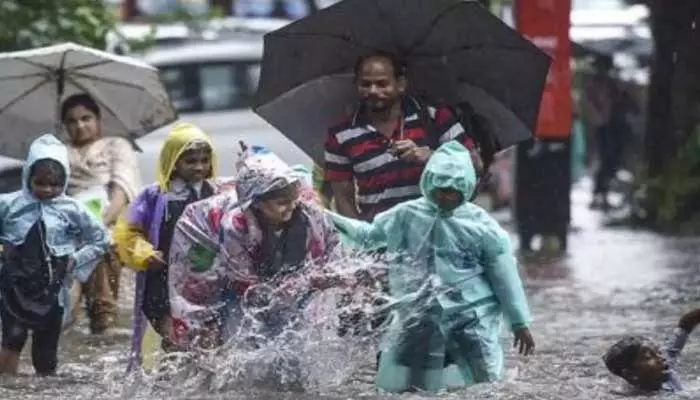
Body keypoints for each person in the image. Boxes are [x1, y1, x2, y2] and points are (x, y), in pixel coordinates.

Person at [327, 141, 535, 393]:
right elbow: (368, 236)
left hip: (469, 317)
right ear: (429, 183)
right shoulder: (406, 215)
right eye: (441, 189)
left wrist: (519, 322)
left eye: (453, 190)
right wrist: (326, 217)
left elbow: (505, 276)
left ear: (467, 187)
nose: (446, 196)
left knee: (486, 382)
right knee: (404, 384)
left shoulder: (482, 226)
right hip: (419, 313)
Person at [167, 146, 341, 364]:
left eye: (292, 198)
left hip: (269, 258)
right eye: (281, 203)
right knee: (215, 320)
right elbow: (245, 286)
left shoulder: (309, 213)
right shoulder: (235, 226)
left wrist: (330, 279)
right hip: (204, 242)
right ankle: (210, 368)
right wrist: (290, 287)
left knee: (299, 325)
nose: (291, 206)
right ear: (257, 204)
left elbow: (332, 253)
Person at [113, 122, 234, 372]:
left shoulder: (218, 194)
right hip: (163, 285)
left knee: (209, 348)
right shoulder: (155, 197)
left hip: (206, 284)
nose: (199, 167)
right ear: (173, 161)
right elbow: (127, 234)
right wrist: (144, 253)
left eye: (204, 160)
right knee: (175, 344)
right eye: (191, 161)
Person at [324, 52, 481, 222]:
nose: (373, 90)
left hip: (439, 234)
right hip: (382, 240)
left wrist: (431, 157)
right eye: (365, 84)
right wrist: (362, 239)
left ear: (401, 84)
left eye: (382, 84)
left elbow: (475, 164)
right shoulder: (340, 135)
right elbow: (343, 198)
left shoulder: (435, 118)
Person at [0, 134, 111, 375]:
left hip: (52, 290)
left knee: (45, 351)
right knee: (11, 339)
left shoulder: (73, 209)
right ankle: (8, 388)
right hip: (13, 288)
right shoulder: (8, 205)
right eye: (40, 183)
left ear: (65, 181)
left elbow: (101, 239)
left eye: (55, 184)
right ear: (28, 176)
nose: (47, 190)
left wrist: (75, 261)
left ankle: (44, 388)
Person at [61, 93, 141, 334]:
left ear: (98, 120)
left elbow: (123, 188)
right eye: (72, 121)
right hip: (66, 225)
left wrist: (99, 223)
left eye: (86, 118)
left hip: (108, 222)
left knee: (99, 244)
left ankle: (103, 318)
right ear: (65, 126)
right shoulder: (59, 152)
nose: (80, 125)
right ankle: (63, 318)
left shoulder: (115, 146)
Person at [583, 55, 637, 210]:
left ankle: (602, 194)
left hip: (615, 127)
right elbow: (591, 106)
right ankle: (599, 194)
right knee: (605, 161)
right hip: (604, 127)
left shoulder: (615, 85)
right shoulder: (596, 85)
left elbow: (630, 105)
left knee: (611, 162)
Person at [603, 307, 700, 393]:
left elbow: (685, 324)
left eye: (658, 352)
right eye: (648, 357)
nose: (662, 358)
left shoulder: (667, 368)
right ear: (630, 374)